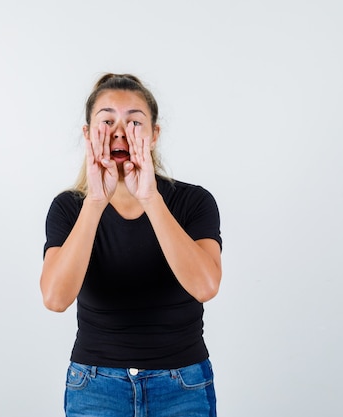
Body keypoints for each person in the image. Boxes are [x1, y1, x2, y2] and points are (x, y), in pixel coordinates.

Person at [40, 73, 222, 417]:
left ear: (154, 135)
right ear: (87, 134)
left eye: (134, 121)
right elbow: (55, 298)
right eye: (107, 120)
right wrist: (95, 200)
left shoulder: (193, 202)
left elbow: (206, 286)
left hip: (183, 385)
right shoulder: (69, 207)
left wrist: (150, 197)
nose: (120, 131)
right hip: (95, 387)